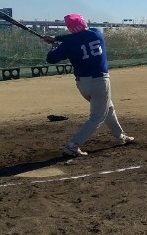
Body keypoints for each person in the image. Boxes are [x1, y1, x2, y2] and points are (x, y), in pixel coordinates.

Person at [44, 13, 134, 157]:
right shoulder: (96, 33)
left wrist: (55, 45)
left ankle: (120, 137)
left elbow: (51, 59)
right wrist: (57, 39)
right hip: (100, 82)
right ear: (83, 22)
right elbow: (81, 35)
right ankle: (72, 146)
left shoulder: (69, 44)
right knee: (97, 117)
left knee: (108, 108)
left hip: (82, 84)